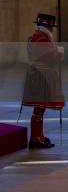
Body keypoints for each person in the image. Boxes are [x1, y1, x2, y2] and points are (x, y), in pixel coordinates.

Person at [21, 13, 65, 148]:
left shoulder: (37, 36)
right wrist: (59, 52)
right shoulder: (41, 38)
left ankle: (38, 135)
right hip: (41, 75)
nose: (52, 30)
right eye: (50, 27)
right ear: (46, 26)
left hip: (39, 73)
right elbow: (48, 58)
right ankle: (35, 138)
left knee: (40, 107)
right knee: (39, 107)